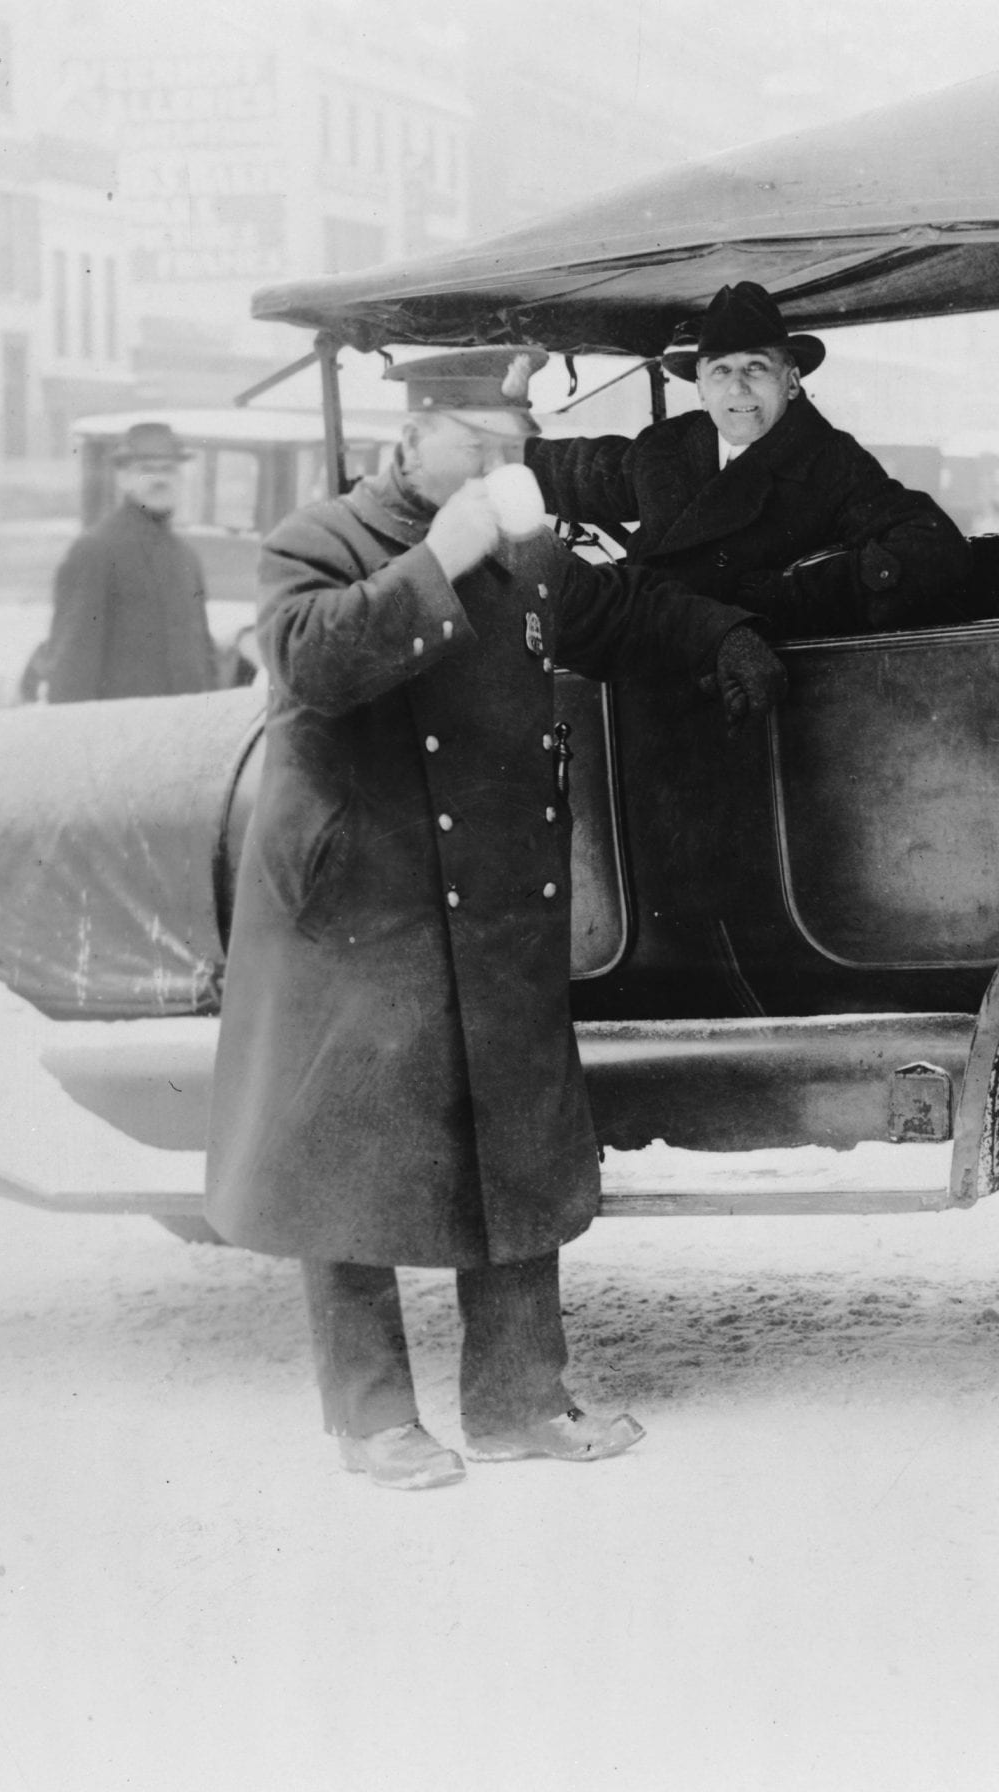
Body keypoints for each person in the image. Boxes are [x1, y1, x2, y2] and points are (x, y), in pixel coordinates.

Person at [205, 347, 788, 1491]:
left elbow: (614, 608)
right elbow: (312, 664)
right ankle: (371, 1420)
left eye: (511, 449)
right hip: (359, 916)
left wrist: (721, 636)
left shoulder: (526, 556)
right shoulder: (318, 541)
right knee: (350, 1163)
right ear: (411, 438)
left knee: (516, 1148)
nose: (498, 467)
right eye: (477, 446)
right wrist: (441, 558)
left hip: (497, 908)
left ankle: (519, 1403)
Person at [525, 281, 970, 638]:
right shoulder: (665, 448)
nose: (736, 387)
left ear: (791, 382)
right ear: (700, 386)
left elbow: (932, 550)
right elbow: (572, 471)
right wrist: (485, 454)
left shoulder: (833, 462)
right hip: (652, 674)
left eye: (755, 367)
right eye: (720, 370)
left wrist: (785, 597)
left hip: (760, 688)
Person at [39, 420, 219, 702]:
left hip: (183, 733)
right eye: (147, 470)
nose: (161, 479)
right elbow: (71, 664)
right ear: (123, 478)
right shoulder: (95, 550)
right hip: (120, 735)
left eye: (169, 470)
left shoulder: (186, 558)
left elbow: (204, 658)